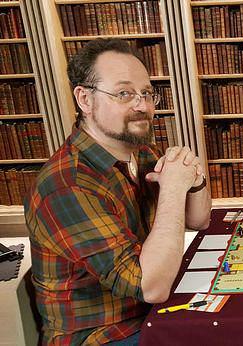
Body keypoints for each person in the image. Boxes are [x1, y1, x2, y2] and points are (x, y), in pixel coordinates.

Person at [24, 38, 212, 345]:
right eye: (124, 93)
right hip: (105, 335)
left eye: (147, 93)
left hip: (149, 313)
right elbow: (152, 286)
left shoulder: (140, 151)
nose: (142, 106)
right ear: (84, 99)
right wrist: (175, 189)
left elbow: (200, 219)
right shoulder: (67, 184)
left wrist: (195, 179)